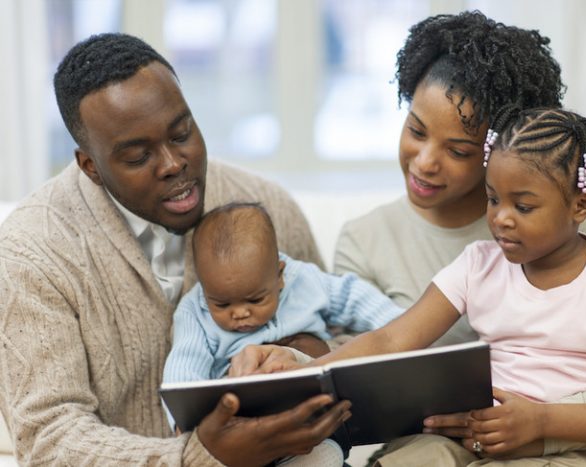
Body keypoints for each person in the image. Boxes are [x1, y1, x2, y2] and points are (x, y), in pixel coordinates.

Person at [330, 10, 586, 466]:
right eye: (416, 130)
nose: (425, 162)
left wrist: (543, 422)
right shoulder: (380, 242)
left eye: (459, 150)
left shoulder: (571, 233)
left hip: (553, 442)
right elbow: (364, 362)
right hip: (445, 438)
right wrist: (300, 364)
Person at [235, 106, 586, 466]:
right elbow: (392, 338)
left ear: (582, 203)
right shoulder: (478, 265)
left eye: (523, 205)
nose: (499, 218)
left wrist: (540, 423)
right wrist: (306, 373)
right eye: (493, 198)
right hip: (470, 434)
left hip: (567, 445)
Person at [0, 33, 349, 466]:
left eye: (181, 133)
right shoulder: (32, 251)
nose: (172, 164)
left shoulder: (266, 205)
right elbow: (48, 437)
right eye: (137, 156)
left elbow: (342, 338)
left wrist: (305, 353)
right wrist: (197, 458)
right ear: (90, 166)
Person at [162, 201, 404, 465]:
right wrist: (184, 425)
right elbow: (183, 368)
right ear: (203, 283)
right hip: (249, 425)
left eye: (255, 300)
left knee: (328, 438)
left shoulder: (305, 281)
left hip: (316, 412)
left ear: (279, 276)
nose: (240, 313)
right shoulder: (194, 310)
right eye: (221, 304)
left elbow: (352, 296)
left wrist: (397, 324)